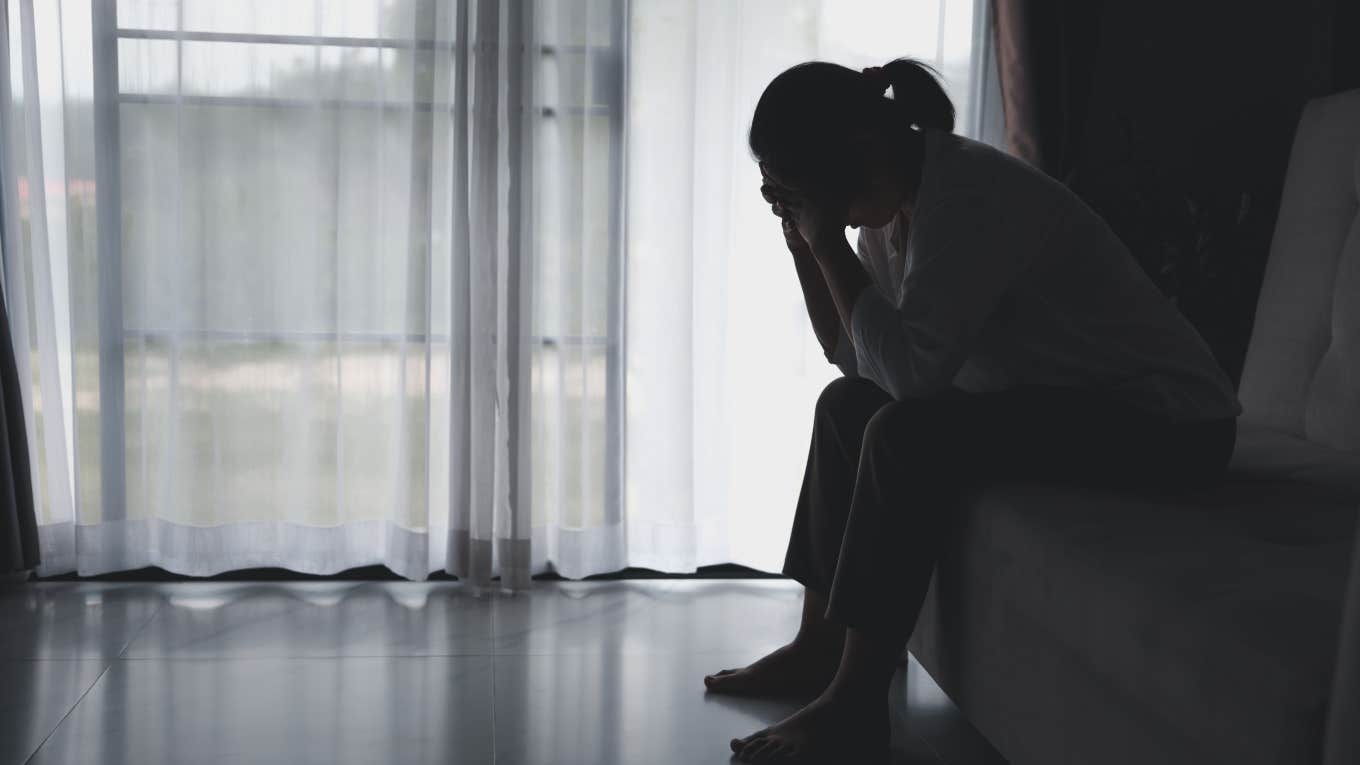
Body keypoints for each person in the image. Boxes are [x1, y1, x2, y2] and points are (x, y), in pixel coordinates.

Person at [703, 58, 1242, 764]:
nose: (796, 204)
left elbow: (915, 381)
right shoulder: (888, 215)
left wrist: (826, 239)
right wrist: (809, 249)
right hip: (1071, 403)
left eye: (798, 189)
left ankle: (857, 701)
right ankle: (817, 647)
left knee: (903, 433)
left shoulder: (970, 195)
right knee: (846, 406)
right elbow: (857, 362)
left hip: (1169, 422)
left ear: (858, 149)